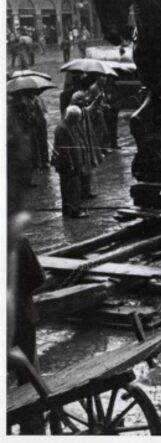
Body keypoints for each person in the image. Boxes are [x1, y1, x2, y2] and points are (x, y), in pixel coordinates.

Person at [7, 211, 47, 433]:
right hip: (21, 318)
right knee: (28, 376)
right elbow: (38, 278)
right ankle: (32, 428)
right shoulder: (18, 242)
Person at [53, 106, 89, 219]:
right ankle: (75, 211)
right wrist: (71, 165)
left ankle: (68, 210)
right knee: (73, 188)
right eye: (78, 118)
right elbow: (65, 150)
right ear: (72, 117)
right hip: (68, 164)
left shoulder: (68, 125)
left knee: (67, 188)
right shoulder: (63, 128)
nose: (79, 121)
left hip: (70, 163)